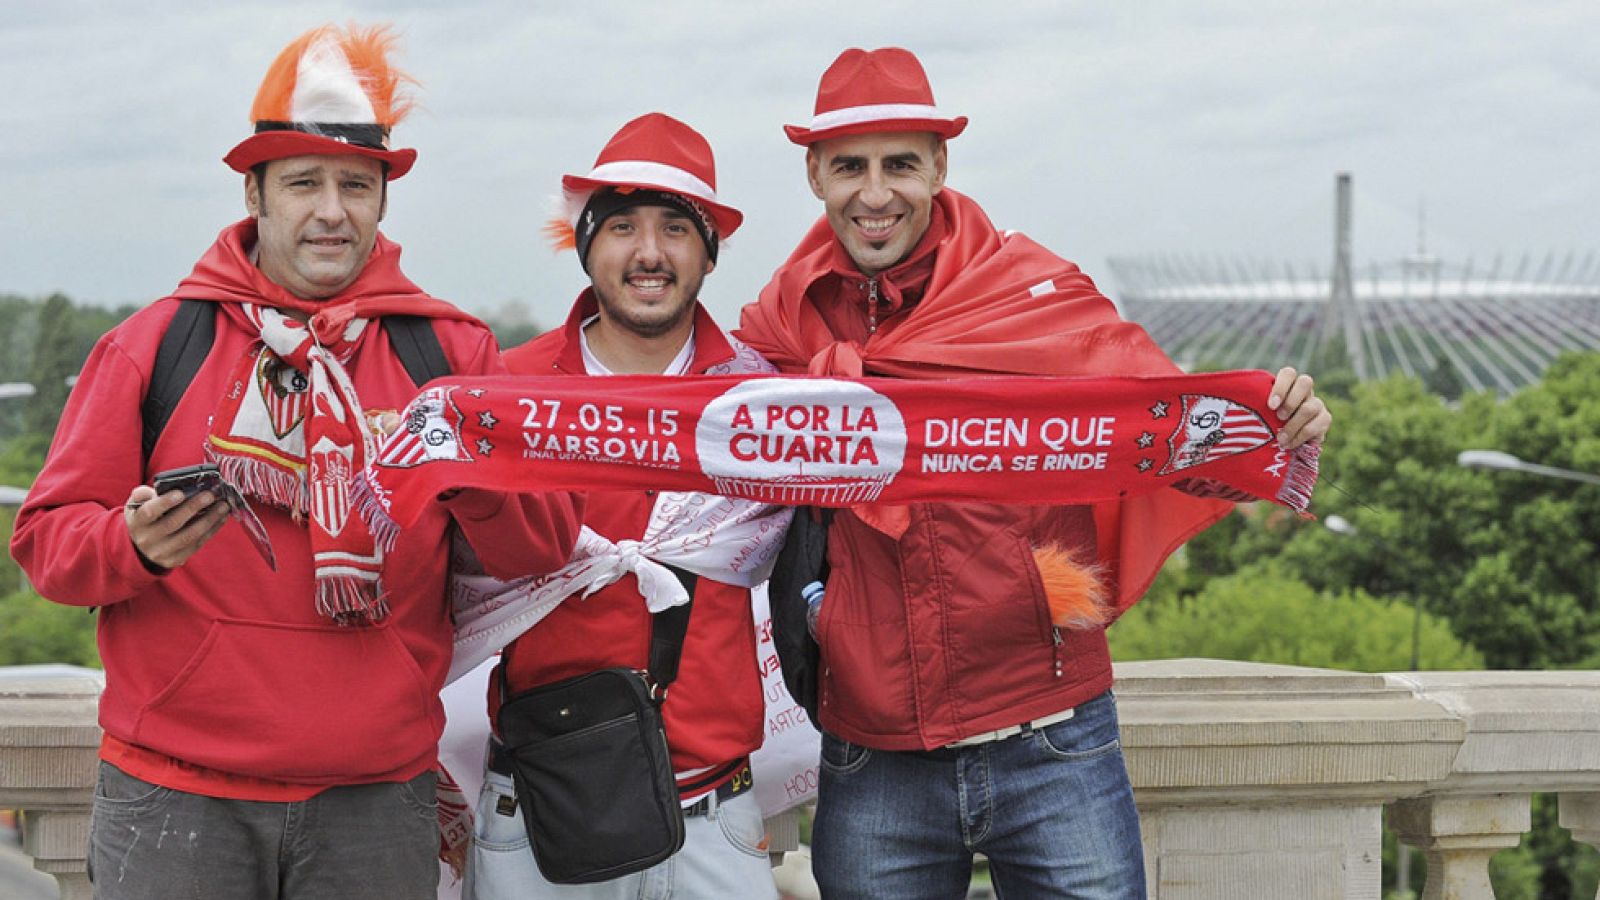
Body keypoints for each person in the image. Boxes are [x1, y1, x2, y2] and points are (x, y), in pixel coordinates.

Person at [737, 48, 1332, 899]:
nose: (875, 193)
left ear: (940, 165)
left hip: (1054, 741)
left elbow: (1166, 432)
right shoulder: (778, 326)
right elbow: (683, 452)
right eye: (850, 168)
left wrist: (1275, 428)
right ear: (814, 177)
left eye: (900, 164)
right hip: (871, 754)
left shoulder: (1032, 294)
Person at [9, 24, 584, 900]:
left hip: (374, 798)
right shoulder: (158, 343)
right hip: (175, 794)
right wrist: (136, 547)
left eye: (356, 185)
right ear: (255, 193)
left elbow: (541, 547)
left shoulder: (452, 352)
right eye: (303, 183)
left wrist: (467, 476)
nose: (330, 210)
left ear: (383, 200)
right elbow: (48, 546)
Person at [465, 113, 786, 900]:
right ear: (586, 246)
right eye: (622, 228)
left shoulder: (764, 400)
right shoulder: (505, 392)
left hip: (718, 821)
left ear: (709, 252)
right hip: (544, 815)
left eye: (676, 228)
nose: (649, 253)